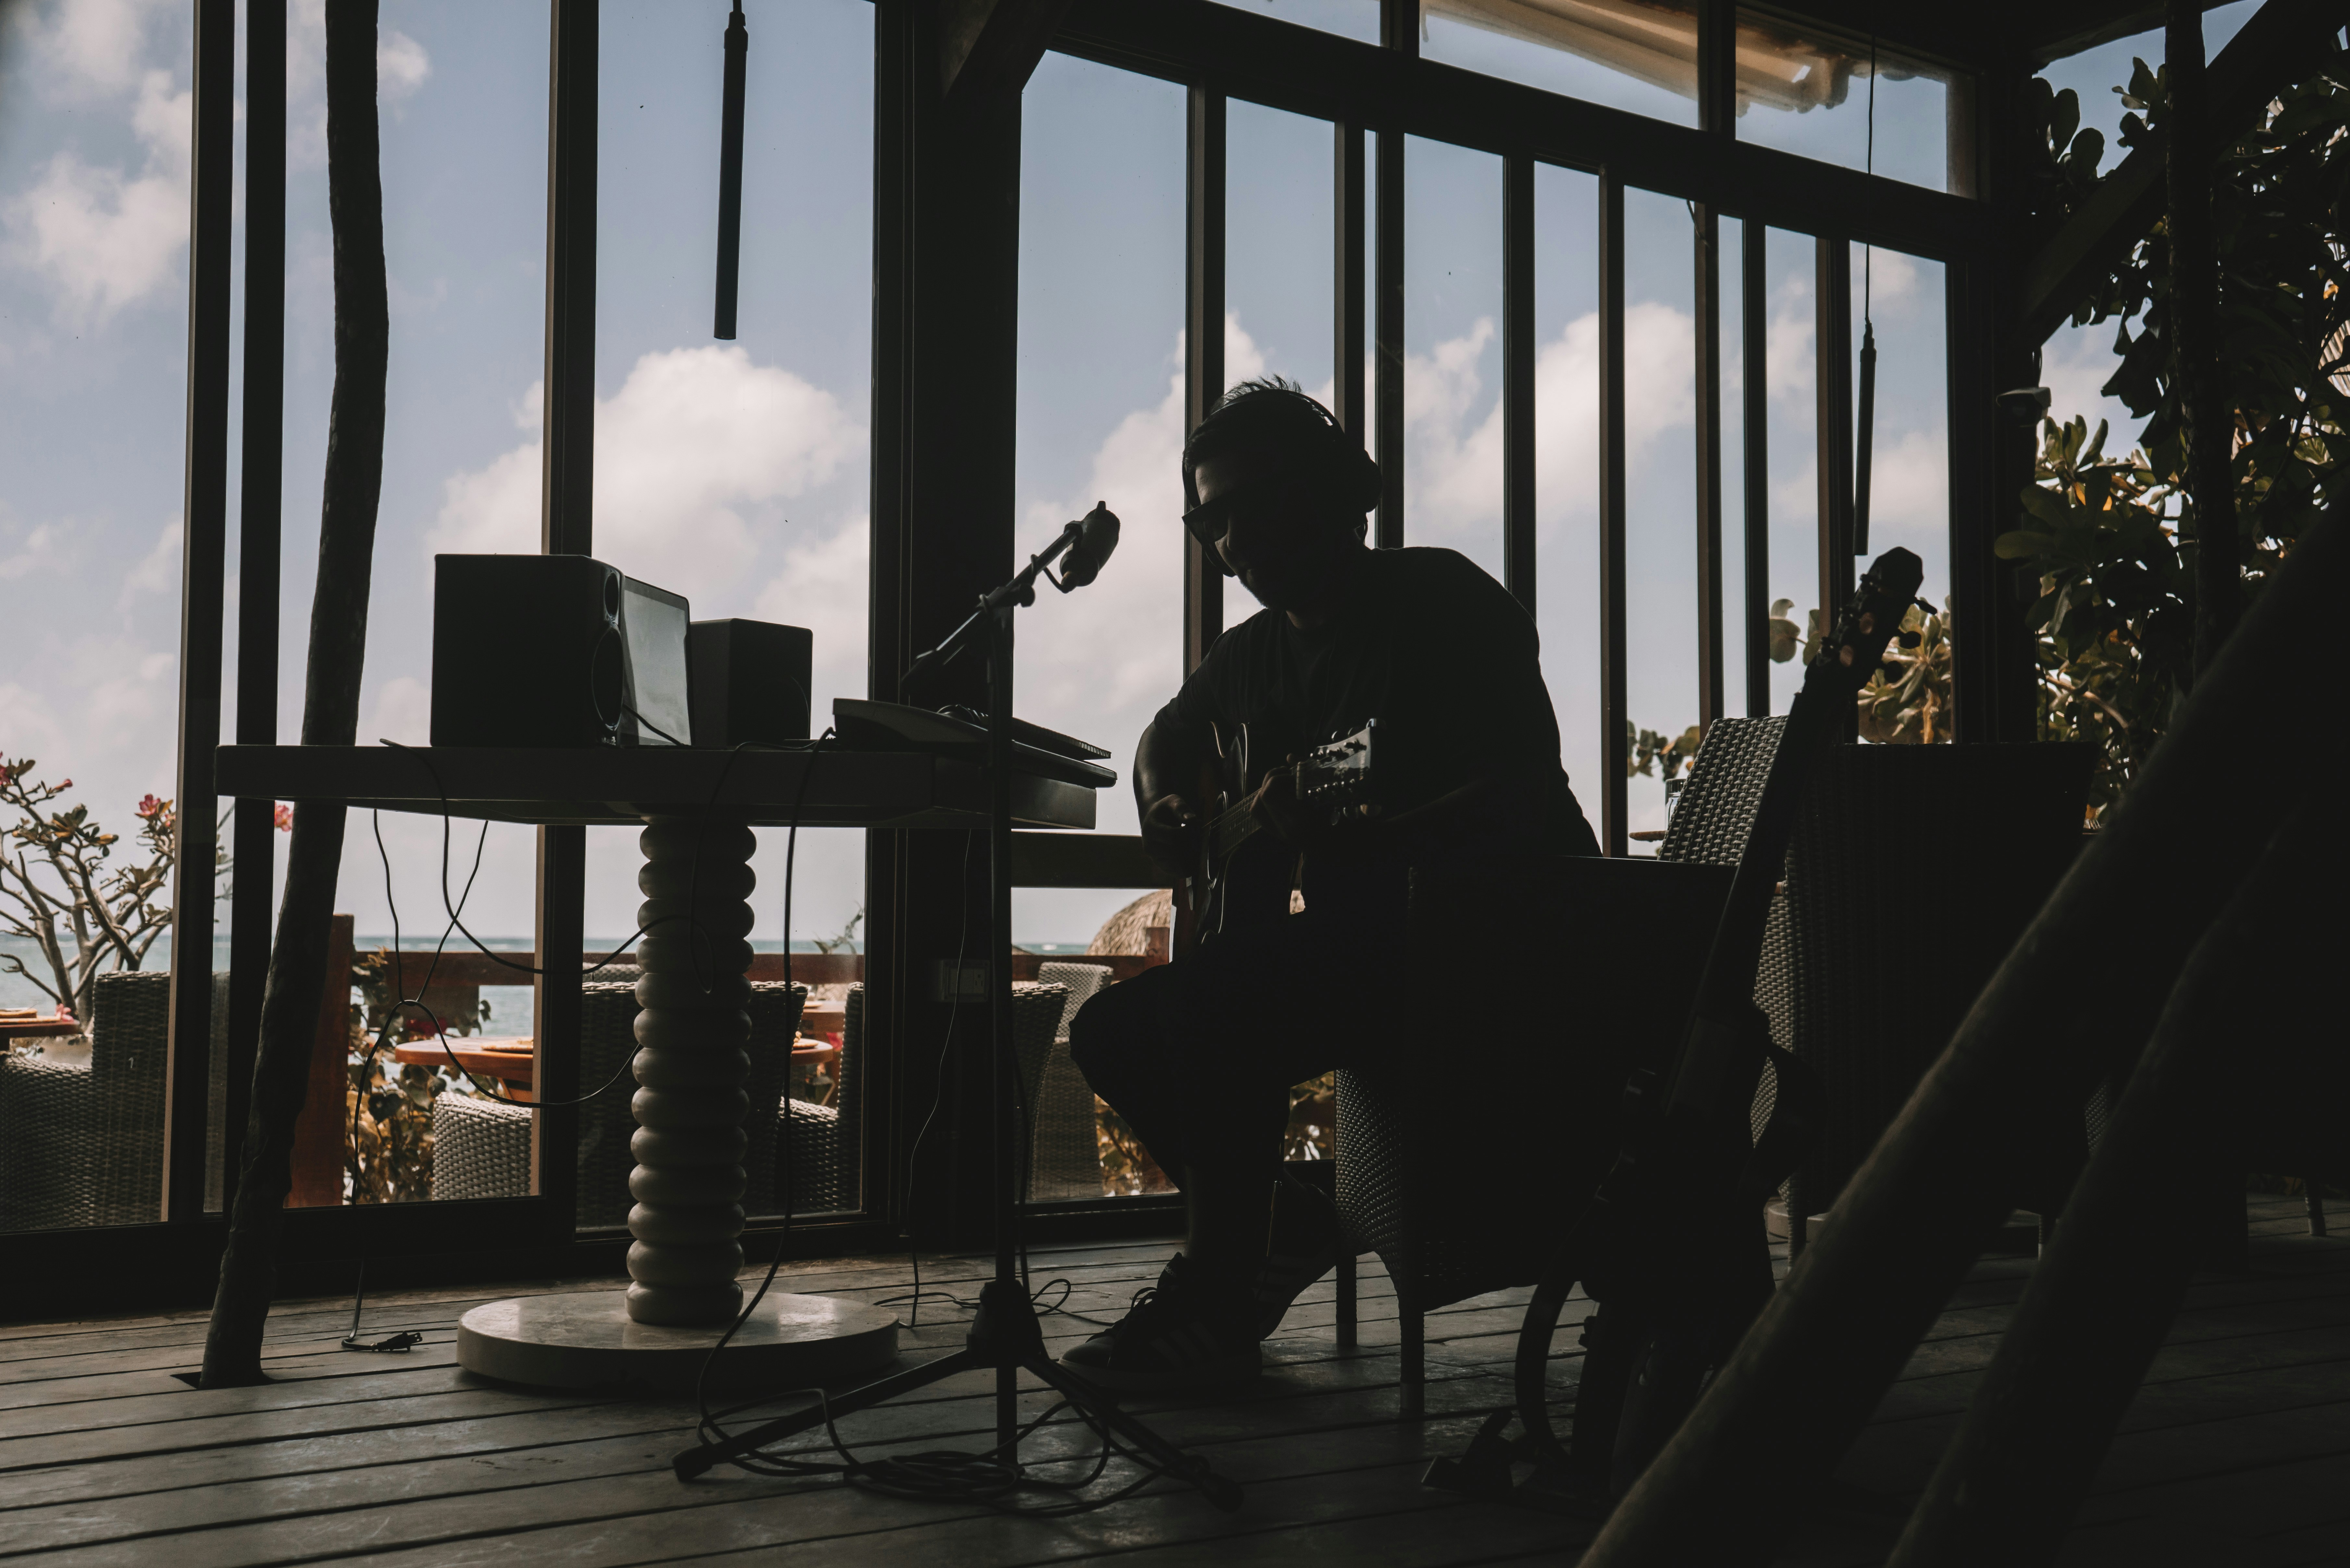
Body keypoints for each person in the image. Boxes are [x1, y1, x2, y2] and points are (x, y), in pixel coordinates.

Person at [1060, 378, 1601, 1391]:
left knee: (1223, 1004)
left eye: (1251, 508)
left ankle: (1218, 1294)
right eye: (1208, 520)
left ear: (1338, 493)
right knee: (1110, 1031)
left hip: (1499, 940)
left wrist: (1370, 836)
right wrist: (1168, 806)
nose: (1231, 542)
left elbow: (1521, 786)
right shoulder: (1252, 655)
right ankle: (1288, 1222)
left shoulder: (1441, 600)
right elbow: (1169, 735)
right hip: (1370, 951)